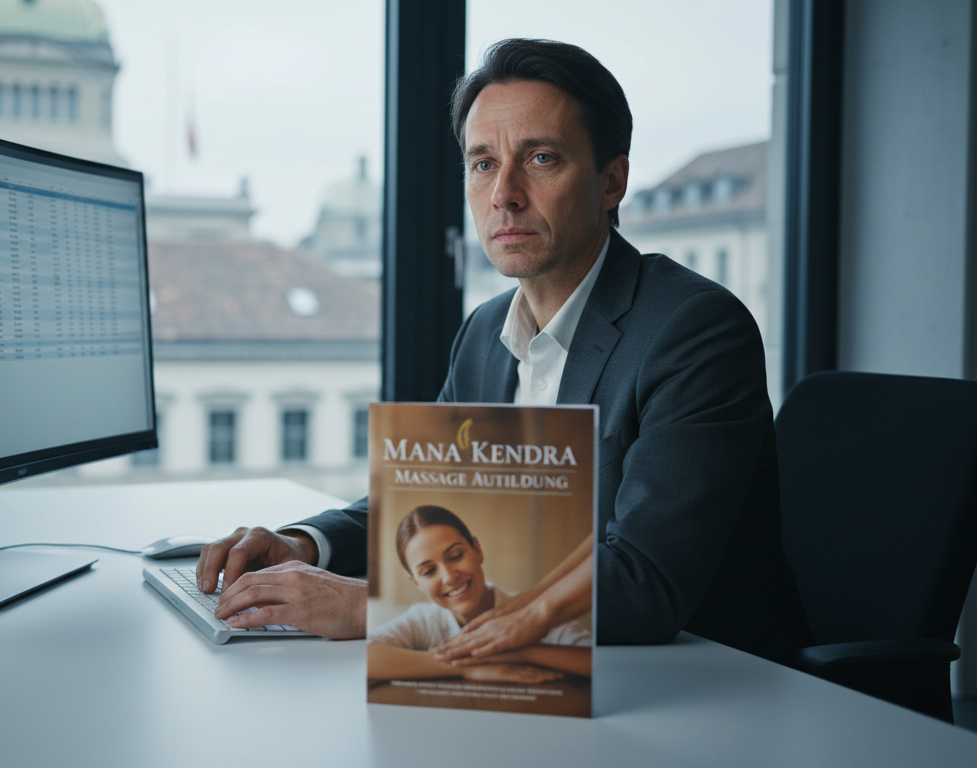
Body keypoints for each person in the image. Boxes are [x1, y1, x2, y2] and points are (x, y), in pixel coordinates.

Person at [198, 38, 813, 664]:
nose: (504, 195)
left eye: (541, 158)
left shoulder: (694, 332)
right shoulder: (484, 333)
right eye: (483, 163)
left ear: (611, 182)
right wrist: (306, 546)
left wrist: (369, 607)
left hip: (707, 687)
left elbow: (644, 585)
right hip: (527, 681)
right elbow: (419, 511)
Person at [367, 505, 590, 684]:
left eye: (455, 556)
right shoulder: (424, 621)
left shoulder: (533, 612)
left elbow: (600, 663)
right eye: (428, 571)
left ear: (477, 549)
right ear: (415, 581)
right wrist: (466, 669)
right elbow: (366, 657)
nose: (449, 577)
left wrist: (523, 652)